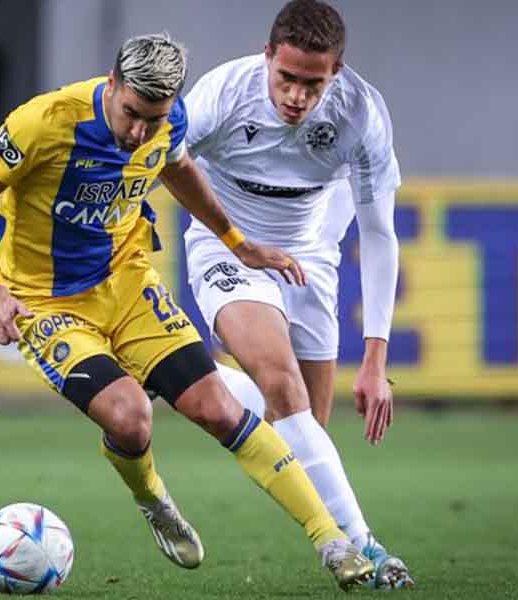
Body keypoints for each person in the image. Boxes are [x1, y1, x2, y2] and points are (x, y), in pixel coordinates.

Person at [0, 32, 375, 590]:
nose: (138, 132)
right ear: (112, 85)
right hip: (46, 301)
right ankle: (151, 497)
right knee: (130, 417)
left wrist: (237, 242)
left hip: (126, 285)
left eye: (151, 121)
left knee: (219, 409)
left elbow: (177, 168)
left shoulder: (170, 120)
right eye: (131, 114)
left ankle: (332, 541)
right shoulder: (45, 122)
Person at [182, 0, 413, 589]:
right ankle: (363, 547)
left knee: (301, 431)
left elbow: (381, 234)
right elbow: (162, 153)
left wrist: (376, 360)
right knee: (282, 388)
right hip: (227, 249)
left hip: (311, 260)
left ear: (335, 73)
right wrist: (232, 239)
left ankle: (191, 374)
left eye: (313, 83)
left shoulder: (361, 114)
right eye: (286, 78)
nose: (296, 96)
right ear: (267, 56)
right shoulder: (223, 94)